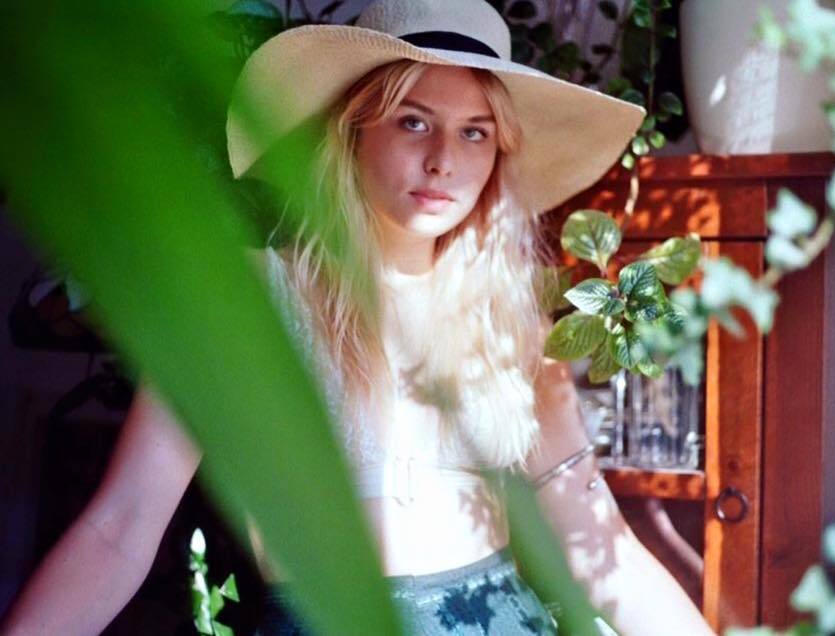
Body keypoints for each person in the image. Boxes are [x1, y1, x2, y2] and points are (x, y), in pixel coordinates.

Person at [1, 0, 715, 634]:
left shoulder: (513, 324)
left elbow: (602, 552)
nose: (443, 160)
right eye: (414, 122)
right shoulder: (248, 303)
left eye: (474, 133)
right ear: (352, 132)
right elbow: (120, 528)